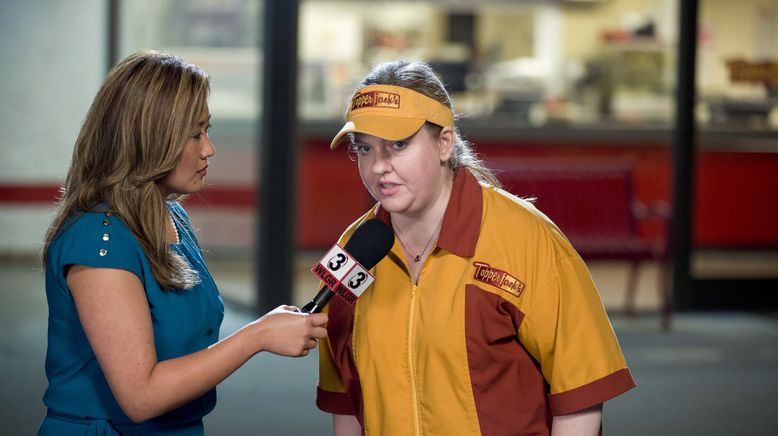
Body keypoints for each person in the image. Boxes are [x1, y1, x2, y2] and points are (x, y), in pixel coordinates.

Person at [316, 60, 635, 436]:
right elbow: (347, 403)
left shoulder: (528, 240)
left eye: (398, 145)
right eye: (365, 148)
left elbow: (579, 396)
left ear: (444, 143)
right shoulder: (353, 251)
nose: (379, 166)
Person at [38, 50, 328, 435]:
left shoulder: (171, 216)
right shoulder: (99, 241)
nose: (209, 149)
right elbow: (141, 396)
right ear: (150, 139)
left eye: (207, 130)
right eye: (194, 134)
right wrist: (258, 335)